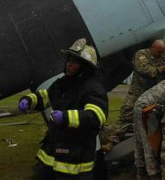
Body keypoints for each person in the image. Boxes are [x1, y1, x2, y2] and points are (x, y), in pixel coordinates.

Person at [18, 39, 108, 179]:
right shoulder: (63, 82)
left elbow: (95, 116)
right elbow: (46, 96)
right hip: (54, 146)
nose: (69, 64)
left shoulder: (94, 89)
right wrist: (29, 100)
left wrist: (65, 118)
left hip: (77, 153)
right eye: (69, 60)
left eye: (75, 62)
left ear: (85, 67)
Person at [103, 40, 165, 151]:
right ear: (152, 48)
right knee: (126, 115)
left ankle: (150, 146)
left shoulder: (162, 58)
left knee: (152, 119)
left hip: (151, 96)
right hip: (136, 93)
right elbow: (147, 71)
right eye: (159, 52)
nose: (160, 54)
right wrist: (162, 68)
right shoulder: (141, 55)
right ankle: (111, 141)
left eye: (162, 52)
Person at [133, 78, 165, 180]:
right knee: (149, 142)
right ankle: (153, 174)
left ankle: (140, 172)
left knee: (139, 141)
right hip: (147, 108)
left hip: (139, 104)